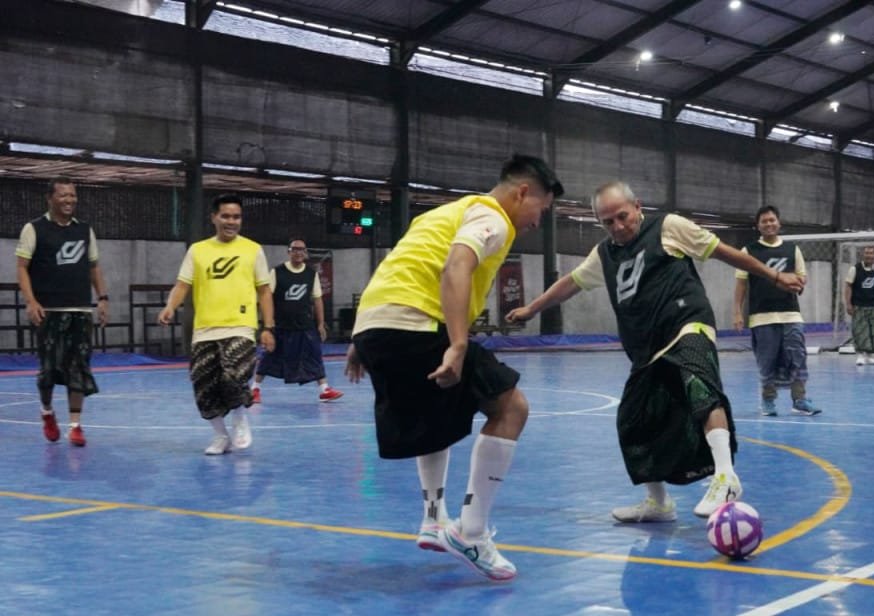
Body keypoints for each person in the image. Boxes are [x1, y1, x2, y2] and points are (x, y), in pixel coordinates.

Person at [506, 181, 804, 521]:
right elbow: (570, 283)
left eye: (622, 216)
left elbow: (725, 252)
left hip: (687, 323)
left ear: (637, 206)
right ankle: (659, 503)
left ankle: (726, 477)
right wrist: (533, 308)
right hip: (647, 348)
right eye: (608, 222)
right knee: (633, 421)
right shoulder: (604, 254)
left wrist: (775, 278)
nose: (618, 227)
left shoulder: (668, 227)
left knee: (700, 388)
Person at [344, 154, 563, 581]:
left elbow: (398, 266)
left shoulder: (445, 213)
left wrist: (360, 338)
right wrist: (459, 344)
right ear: (522, 192)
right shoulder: (494, 218)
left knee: (436, 412)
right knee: (511, 408)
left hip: (377, 325)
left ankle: (433, 518)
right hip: (418, 323)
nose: (538, 222)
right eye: (542, 209)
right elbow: (456, 265)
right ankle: (472, 534)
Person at [157, 194, 276, 455]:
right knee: (203, 387)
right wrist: (170, 306)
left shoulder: (253, 250)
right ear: (214, 218)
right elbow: (182, 284)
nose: (231, 221)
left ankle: (240, 417)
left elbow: (264, 291)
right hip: (204, 331)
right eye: (226, 216)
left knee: (233, 374)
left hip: (240, 327)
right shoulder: (198, 250)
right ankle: (221, 436)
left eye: (236, 217)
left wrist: (268, 327)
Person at [15, 177, 109, 447]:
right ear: (50, 198)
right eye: (64, 195)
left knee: (79, 367)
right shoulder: (34, 229)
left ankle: (76, 426)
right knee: (48, 369)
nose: (70, 200)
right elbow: (22, 267)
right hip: (49, 311)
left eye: (73, 196)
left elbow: (94, 267)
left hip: (80, 309)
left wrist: (102, 298)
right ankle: (46, 412)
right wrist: (31, 301)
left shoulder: (85, 230)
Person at [732, 205, 822, 417]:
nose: (769, 224)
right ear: (758, 226)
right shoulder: (749, 251)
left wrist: (795, 283)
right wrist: (737, 312)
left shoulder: (793, 250)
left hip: (791, 314)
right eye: (764, 221)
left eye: (772, 220)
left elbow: (802, 278)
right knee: (767, 360)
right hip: (761, 317)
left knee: (797, 357)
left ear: (779, 223)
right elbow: (741, 285)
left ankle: (799, 400)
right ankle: (768, 400)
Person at [251, 237, 343, 403]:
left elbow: (317, 299)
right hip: (281, 326)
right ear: (289, 252)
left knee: (314, 355)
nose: (298, 252)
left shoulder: (311, 274)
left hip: (305, 326)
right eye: (295, 249)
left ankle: (324, 389)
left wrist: (321, 324)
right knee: (268, 357)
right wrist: (267, 325)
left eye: (301, 249)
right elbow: (266, 298)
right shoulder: (277, 272)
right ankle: (255, 389)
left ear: (305, 253)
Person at [844, 245, 874, 366]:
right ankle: (860, 354)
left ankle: (870, 355)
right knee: (859, 331)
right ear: (862, 255)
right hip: (858, 305)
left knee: (872, 331)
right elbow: (848, 286)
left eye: (871, 253)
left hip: (873, 306)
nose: (869, 255)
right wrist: (848, 303)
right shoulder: (855, 269)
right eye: (867, 253)